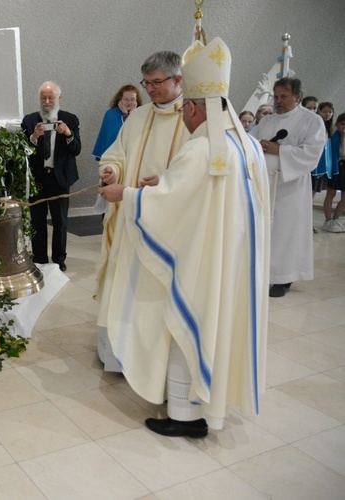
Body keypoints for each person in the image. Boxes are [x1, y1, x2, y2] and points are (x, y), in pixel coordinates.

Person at [98, 37, 269, 438]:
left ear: (191, 105)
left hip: (198, 261)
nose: (150, 90)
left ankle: (185, 416)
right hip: (232, 261)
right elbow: (198, 197)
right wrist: (150, 183)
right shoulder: (246, 146)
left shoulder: (203, 149)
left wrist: (130, 195)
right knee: (216, 332)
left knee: (186, 326)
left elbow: (175, 202)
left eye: (157, 82)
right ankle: (207, 403)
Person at [94, 51, 191, 372]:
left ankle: (149, 360)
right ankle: (118, 356)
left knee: (151, 290)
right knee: (124, 284)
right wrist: (111, 170)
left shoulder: (192, 119)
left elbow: (192, 174)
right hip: (127, 219)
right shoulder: (138, 116)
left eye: (157, 83)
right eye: (146, 83)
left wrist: (164, 182)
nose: (150, 90)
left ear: (178, 80)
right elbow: (116, 154)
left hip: (166, 225)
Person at [251, 77, 327, 297]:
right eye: (276, 97)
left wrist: (280, 151)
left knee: (286, 232)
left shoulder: (311, 121)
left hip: (290, 187)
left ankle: (284, 278)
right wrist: (258, 146)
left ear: (297, 97)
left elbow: (312, 153)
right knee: (266, 231)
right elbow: (250, 142)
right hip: (266, 185)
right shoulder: (267, 121)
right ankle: (263, 273)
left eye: (283, 97)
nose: (278, 101)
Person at [21, 81, 81, 272]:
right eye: (43, 98)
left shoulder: (70, 119)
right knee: (37, 220)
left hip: (60, 179)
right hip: (38, 178)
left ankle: (58, 260)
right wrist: (33, 137)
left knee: (60, 222)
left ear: (58, 98)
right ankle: (39, 258)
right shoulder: (30, 120)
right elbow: (22, 150)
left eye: (50, 97)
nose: (46, 101)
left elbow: (77, 149)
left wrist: (68, 133)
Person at [92, 85, 142, 161]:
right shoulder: (111, 114)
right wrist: (125, 114)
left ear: (137, 100)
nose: (129, 102)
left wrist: (130, 115)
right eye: (126, 99)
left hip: (135, 158)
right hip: (114, 158)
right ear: (120, 99)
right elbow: (109, 138)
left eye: (132, 99)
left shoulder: (142, 115)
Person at [322, 113, 345, 232]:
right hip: (336, 167)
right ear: (337, 124)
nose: (344, 127)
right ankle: (328, 220)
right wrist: (342, 137)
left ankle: (336, 219)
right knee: (331, 192)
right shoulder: (335, 137)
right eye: (342, 124)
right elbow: (342, 154)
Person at [311, 102, 335, 198]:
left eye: (330, 112)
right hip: (313, 165)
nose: (327, 114)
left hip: (322, 166)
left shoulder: (329, 128)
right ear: (319, 111)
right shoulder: (315, 125)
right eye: (324, 111)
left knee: (313, 192)